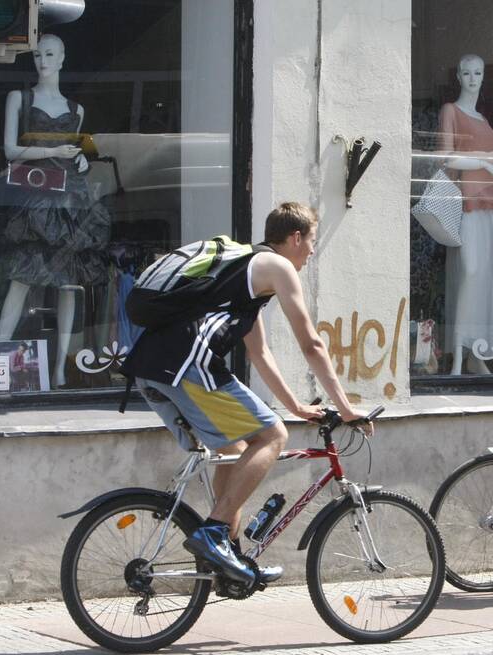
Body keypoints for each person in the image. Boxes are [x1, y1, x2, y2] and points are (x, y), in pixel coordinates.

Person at [121, 202, 374, 586]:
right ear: (294, 238)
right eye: (310, 242)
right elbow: (312, 344)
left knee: (235, 455)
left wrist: (296, 406)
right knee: (273, 436)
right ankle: (213, 533)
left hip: (155, 369)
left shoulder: (243, 280)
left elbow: (260, 354)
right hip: (190, 366)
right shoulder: (278, 267)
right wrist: (346, 408)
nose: (310, 252)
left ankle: (229, 564)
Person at [0, 34, 111, 388]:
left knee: (68, 283)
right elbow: (11, 151)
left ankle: (60, 368)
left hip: (69, 197)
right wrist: (51, 153)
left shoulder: (76, 111)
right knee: (21, 276)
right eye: (37, 54)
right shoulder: (20, 98)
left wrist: (76, 158)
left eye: (49, 54)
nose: (42, 60)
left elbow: (78, 155)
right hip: (33, 193)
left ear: (62, 58)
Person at [439, 53, 493, 376]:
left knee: (485, 278)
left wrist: (492, 169)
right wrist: (484, 164)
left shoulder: (482, 118)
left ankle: (476, 354)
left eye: (478, 73)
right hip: (467, 201)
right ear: (458, 76)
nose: (472, 79)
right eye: (466, 73)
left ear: (484, 76)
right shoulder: (451, 111)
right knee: (469, 273)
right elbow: (447, 158)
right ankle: (457, 353)